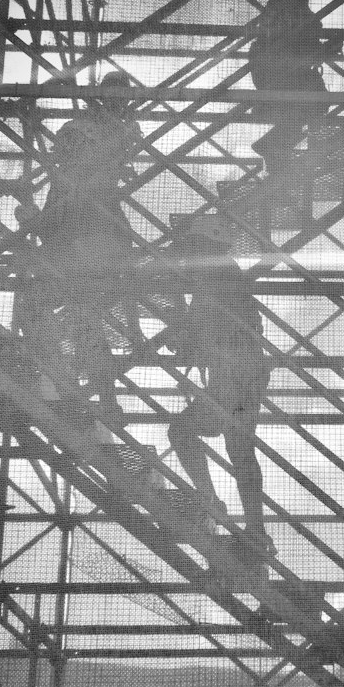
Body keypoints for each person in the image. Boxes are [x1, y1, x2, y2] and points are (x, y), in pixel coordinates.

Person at [18, 72, 145, 425]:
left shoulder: (96, 159)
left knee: (61, 314)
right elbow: (54, 220)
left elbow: (64, 215)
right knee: (82, 318)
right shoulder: (88, 161)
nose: (63, 152)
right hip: (91, 246)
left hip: (90, 245)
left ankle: (78, 389)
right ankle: (94, 395)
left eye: (69, 145)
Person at [166, 214, 273, 569]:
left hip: (235, 371)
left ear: (206, 246)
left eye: (193, 246)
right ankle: (254, 528)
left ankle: (211, 500)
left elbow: (201, 326)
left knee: (184, 430)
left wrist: (180, 328)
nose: (188, 253)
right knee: (239, 449)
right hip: (243, 371)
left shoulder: (216, 276)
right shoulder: (222, 275)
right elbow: (203, 328)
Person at [246, 0, 327, 186]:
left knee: (306, 107)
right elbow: (298, 37)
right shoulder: (290, 1)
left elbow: (298, 37)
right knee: (315, 103)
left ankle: (274, 155)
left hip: (274, 68)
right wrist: (322, 47)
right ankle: (273, 150)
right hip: (278, 69)